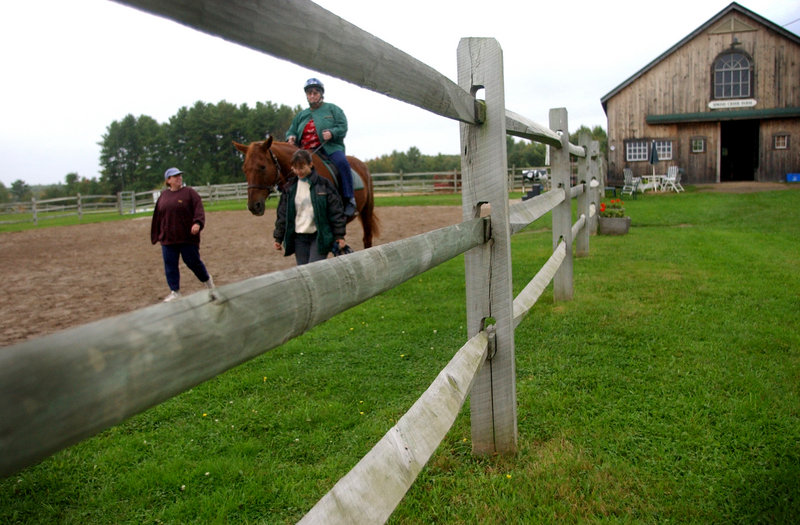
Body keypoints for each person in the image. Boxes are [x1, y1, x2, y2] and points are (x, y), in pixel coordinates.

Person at [286, 77, 357, 217]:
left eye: (315, 92)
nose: (312, 95)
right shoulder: (301, 115)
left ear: (321, 94)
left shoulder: (333, 109)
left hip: (328, 148)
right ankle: (286, 199)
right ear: (306, 95)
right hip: (304, 152)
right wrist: (291, 137)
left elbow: (343, 126)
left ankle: (349, 199)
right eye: (309, 93)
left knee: (342, 163)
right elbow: (291, 130)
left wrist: (332, 133)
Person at [273, 149, 348, 265]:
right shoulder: (289, 188)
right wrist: (278, 237)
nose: (298, 172)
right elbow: (283, 214)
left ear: (310, 164)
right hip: (299, 239)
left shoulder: (324, 184)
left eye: (302, 167)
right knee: (304, 272)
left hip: (319, 236)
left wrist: (339, 235)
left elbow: (336, 212)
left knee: (315, 269)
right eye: (295, 168)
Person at [150, 167, 214, 302]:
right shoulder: (163, 196)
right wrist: (157, 235)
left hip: (187, 237)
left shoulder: (189, 193)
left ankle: (208, 282)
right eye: (175, 176)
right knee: (170, 264)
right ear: (168, 180)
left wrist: (197, 223)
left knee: (193, 262)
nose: (179, 178)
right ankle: (175, 291)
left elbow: (199, 210)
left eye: (179, 176)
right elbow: (157, 217)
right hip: (168, 239)